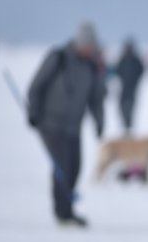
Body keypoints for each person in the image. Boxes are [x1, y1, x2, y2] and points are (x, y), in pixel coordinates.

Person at [26, 22, 106, 227]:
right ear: (80, 43)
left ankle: (68, 209)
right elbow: (37, 85)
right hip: (51, 123)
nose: (91, 49)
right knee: (62, 167)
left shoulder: (91, 66)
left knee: (75, 167)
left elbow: (95, 98)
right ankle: (62, 213)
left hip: (73, 125)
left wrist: (99, 121)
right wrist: (33, 112)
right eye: (88, 45)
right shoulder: (59, 58)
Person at [115, 38, 145, 133]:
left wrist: (136, 80)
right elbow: (118, 71)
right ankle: (125, 127)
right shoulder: (123, 59)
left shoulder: (135, 60)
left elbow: (141, 70)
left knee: (130, 109)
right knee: (123, 108)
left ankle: (129, 127)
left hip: (132, 89)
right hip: (124, 89)